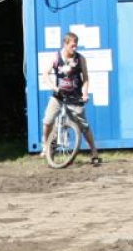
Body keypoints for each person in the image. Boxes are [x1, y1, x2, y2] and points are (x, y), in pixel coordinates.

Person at [42, 32, 101, 165]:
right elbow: (45, 73)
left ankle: (94, 151)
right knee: (47, 121)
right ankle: (46, 146)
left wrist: (85, 93)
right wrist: (53, 87)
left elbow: (85, 78)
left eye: (76, 46)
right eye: (72, 46)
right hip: (58, 96)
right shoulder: (56, 57)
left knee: (84, 126)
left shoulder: (80, 59)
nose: (74, 48)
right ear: (65, 44)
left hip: (75, 97)